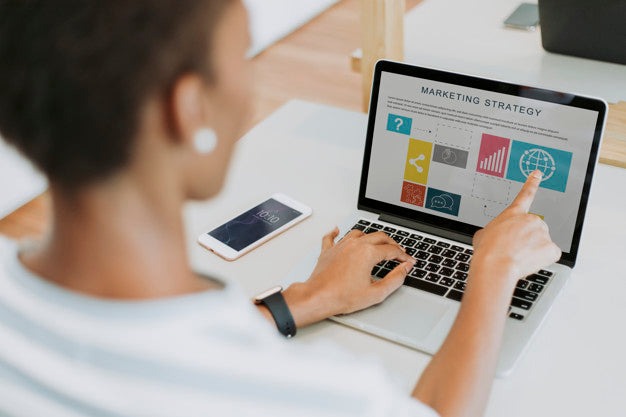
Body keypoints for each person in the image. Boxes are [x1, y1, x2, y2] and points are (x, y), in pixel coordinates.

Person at [0, 1, 561, 416]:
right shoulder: (302, 396)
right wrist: (491, 269)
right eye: (244, 56)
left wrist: (304, 299)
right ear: (188, 108)